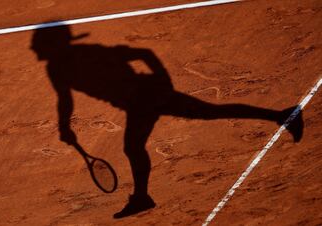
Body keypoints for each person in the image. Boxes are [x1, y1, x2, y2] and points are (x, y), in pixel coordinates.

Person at [31, 25, 303, 218]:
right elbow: (65, 99)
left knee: (134, 147)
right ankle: (280, 115)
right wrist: (65, 126)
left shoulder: (88, 54)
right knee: (209, 112)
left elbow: (144, 53)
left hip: (145, 96)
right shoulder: (57, 67)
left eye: (41, 44)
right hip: (142, 98)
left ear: (54, 45)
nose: (36, 49)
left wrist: (164, 80)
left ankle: (141, 198)